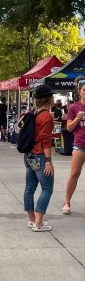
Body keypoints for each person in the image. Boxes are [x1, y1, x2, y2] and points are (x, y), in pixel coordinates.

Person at [24, 84, 55, 232]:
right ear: (49, 99)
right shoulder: (47, 116)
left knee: (29, 188)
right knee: (47, 189)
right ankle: (38, 222)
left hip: (29, 156)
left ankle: (31, 219)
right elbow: (46, 141)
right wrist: (48, 161)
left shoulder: (33, 114)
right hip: (40, 156)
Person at [62, 79, 85, 215]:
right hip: (80, 144)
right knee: (74, 173)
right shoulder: (73, 107)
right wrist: (77, 118)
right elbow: (69, 128)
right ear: (79, 91)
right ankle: (67, 201)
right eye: (84, 90)